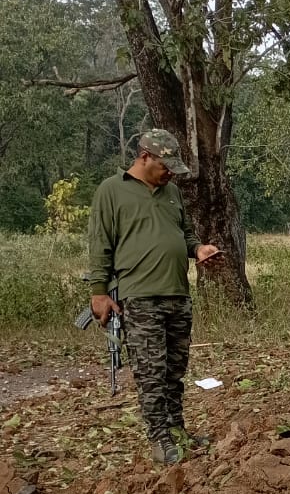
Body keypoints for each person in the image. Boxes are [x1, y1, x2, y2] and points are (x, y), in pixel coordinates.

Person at [87, 129, 220, 465]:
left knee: (174, 370)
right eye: (165, 166)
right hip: (140, 297)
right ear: (144, 156)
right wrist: (99, 292)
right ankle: (159, 438)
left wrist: (198, 249)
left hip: (177, 294)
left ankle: (176, 430)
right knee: (151, 372)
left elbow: (185, 233)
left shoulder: (171, 192)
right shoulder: (111, 190)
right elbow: (100, 245)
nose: (170, 173)